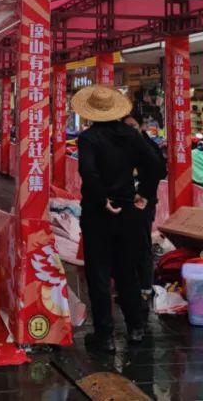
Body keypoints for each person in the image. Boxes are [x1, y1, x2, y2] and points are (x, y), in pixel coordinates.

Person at [73, 85, 163, 353]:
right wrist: (144, 194)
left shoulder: (88, 139)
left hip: (97, 213)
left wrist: (103, 199)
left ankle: (106, 336)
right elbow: (157, 166)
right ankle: (136, 328)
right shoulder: (131, 135)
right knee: (127, 271)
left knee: (99, 273)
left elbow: (87, 172)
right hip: (129, 212)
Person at [124, 109, 167, 304]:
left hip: (144, 204)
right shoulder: (122, 146)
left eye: (133, 126)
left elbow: (159, 172)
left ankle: (145, 287)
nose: (130, 130)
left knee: (142, 245)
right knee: (125, 244)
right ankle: (128, 285)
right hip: (124, 204)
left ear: (141, 126)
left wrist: (143, 196)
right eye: (126, 127)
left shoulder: (149, 147)